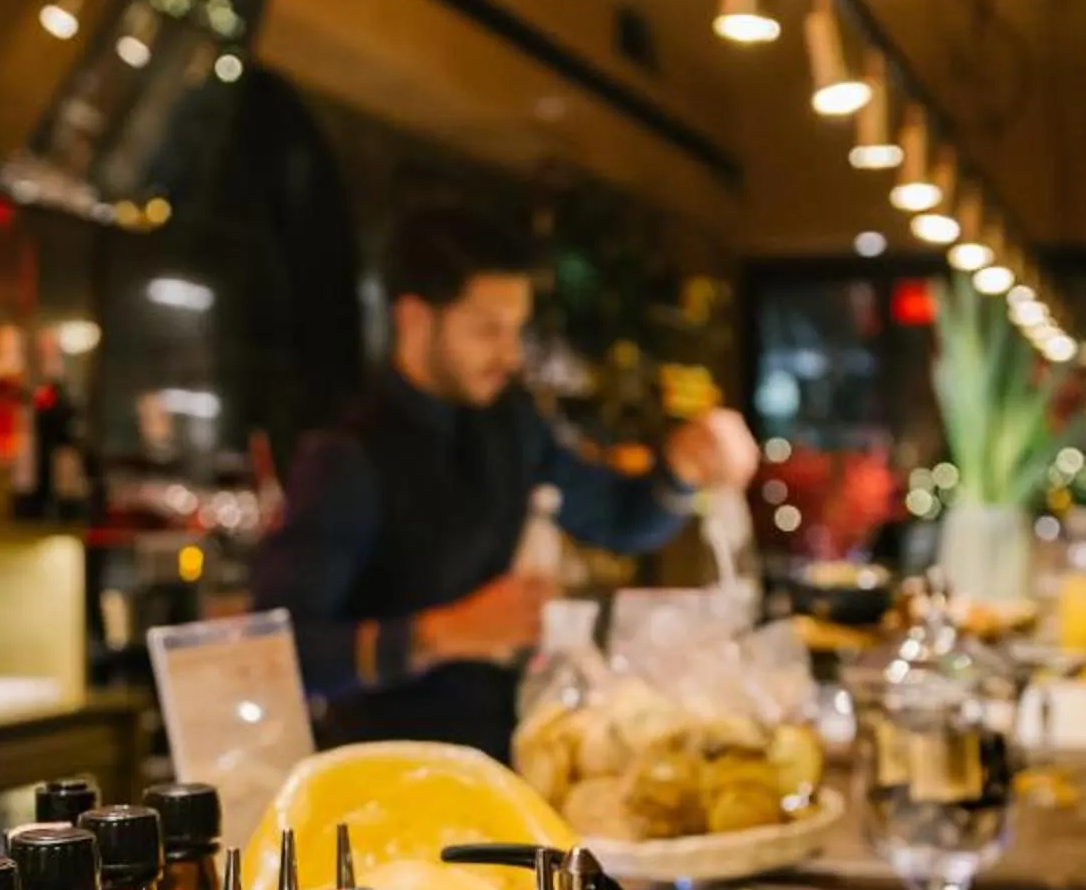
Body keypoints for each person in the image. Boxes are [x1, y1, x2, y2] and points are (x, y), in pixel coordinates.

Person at [252, 206, 759, 753]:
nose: (511, 354)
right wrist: (445, 632)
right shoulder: (347, 456)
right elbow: (275, 658)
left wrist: (682, 467)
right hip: (386, 769)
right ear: (415, 319)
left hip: (504, 751)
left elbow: (619, 519)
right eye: (488, 330)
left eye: (517, 329)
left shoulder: (510, 423)